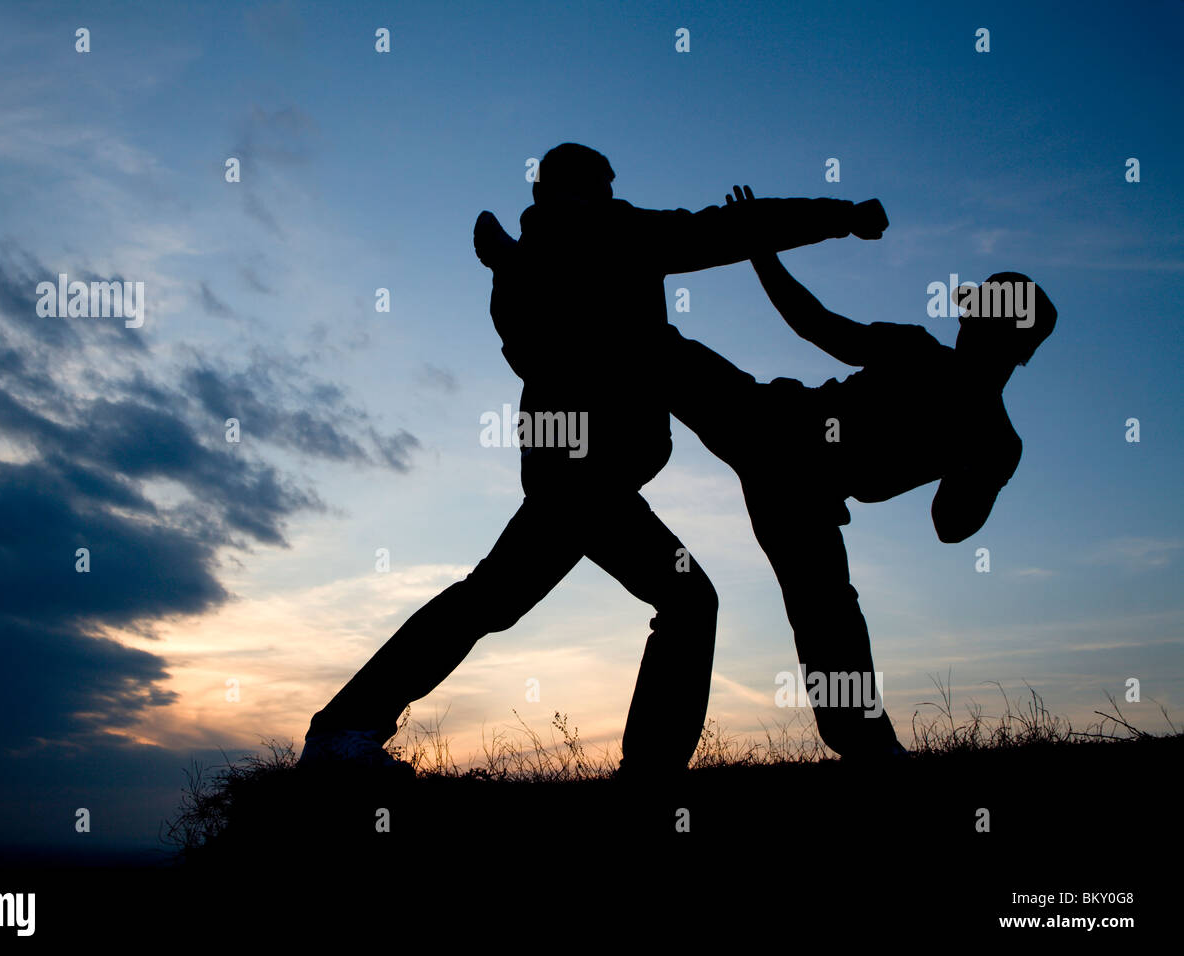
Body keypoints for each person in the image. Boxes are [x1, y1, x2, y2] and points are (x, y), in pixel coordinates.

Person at [301, 148, 888, 776]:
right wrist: (842, 215)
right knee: (681, 600)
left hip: (571, 469)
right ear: (585, 189)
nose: (612, 194)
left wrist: (516, 264)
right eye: (605, 186)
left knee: (493, 599)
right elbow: (725, 230)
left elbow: (529, 351)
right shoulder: (612, 234)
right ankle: (646, 773)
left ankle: (345, 727)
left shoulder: (530, 261)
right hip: (588, 474)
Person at [663, 184, 1058, 757]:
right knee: (652, 350)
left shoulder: (991, 435)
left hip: (800, 488)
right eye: (970, 308)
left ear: (1011, 342)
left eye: (977, 312)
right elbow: (816, 324)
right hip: (770, 425)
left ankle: (871, 748)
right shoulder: (933, 369)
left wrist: (979, 473)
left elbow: (950, 526)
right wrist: (757, 246)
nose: (965, 317)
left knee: (828, 615)